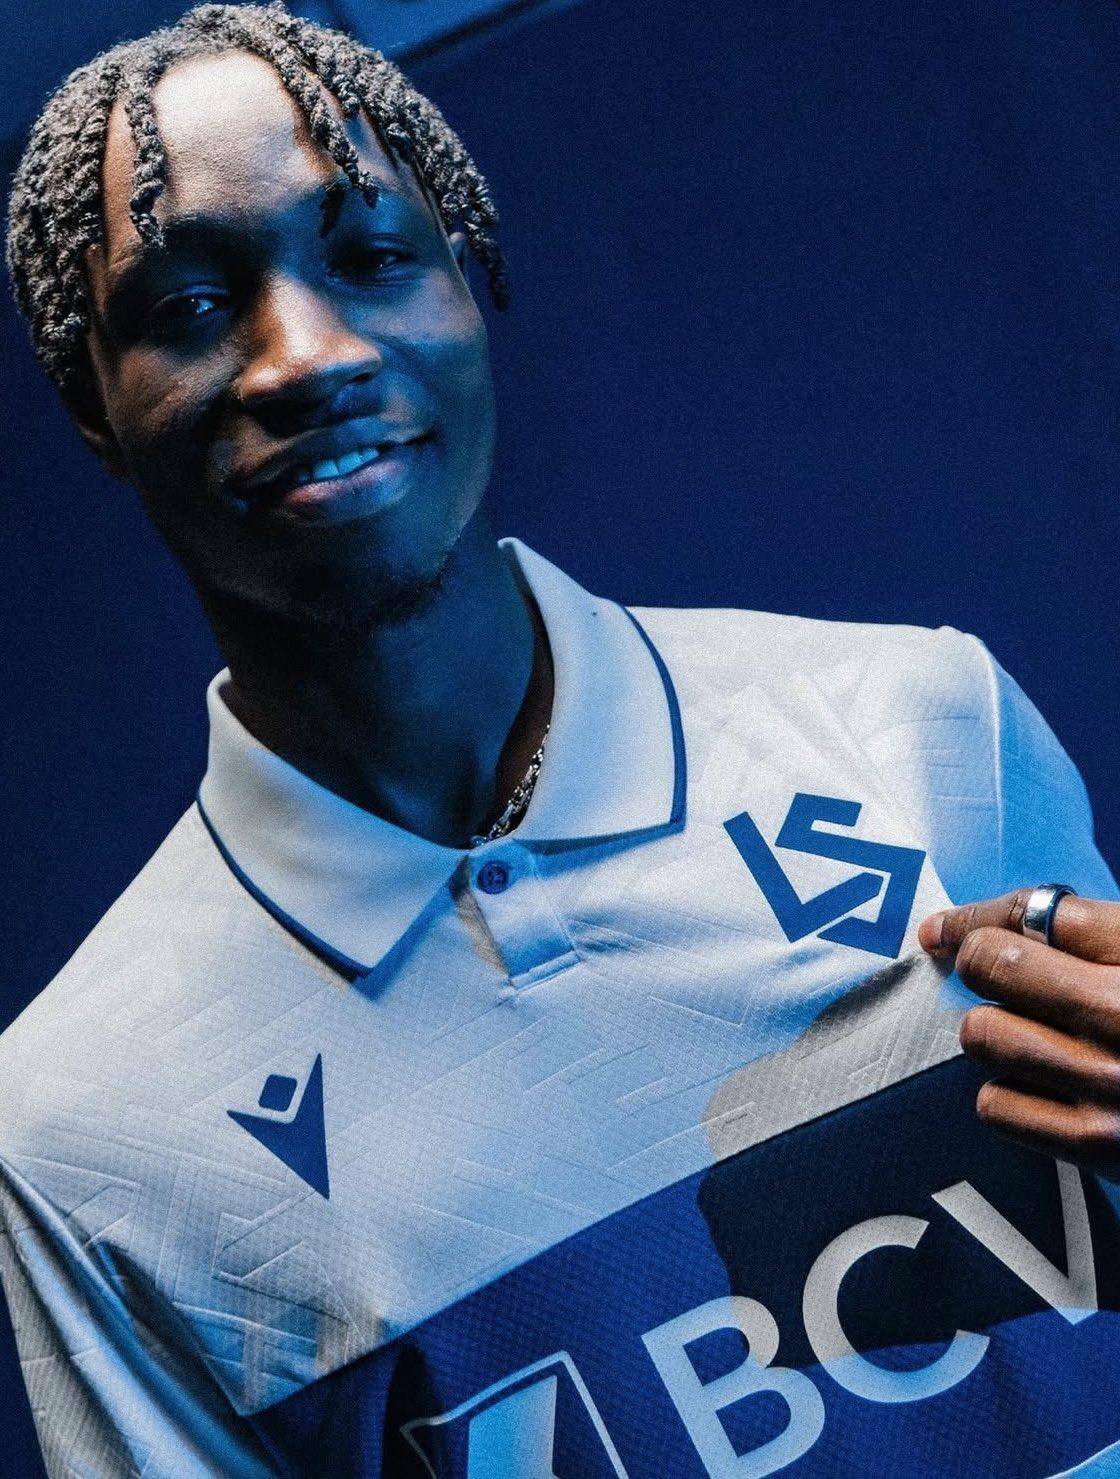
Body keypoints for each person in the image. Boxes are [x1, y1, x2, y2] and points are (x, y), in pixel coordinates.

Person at [4, 3, 1120, 1474]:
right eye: (193, 305)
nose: (305, 357)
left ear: (469, 283)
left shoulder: (915, 726)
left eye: (371, 256)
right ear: (93, 402)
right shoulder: (80, 1125)